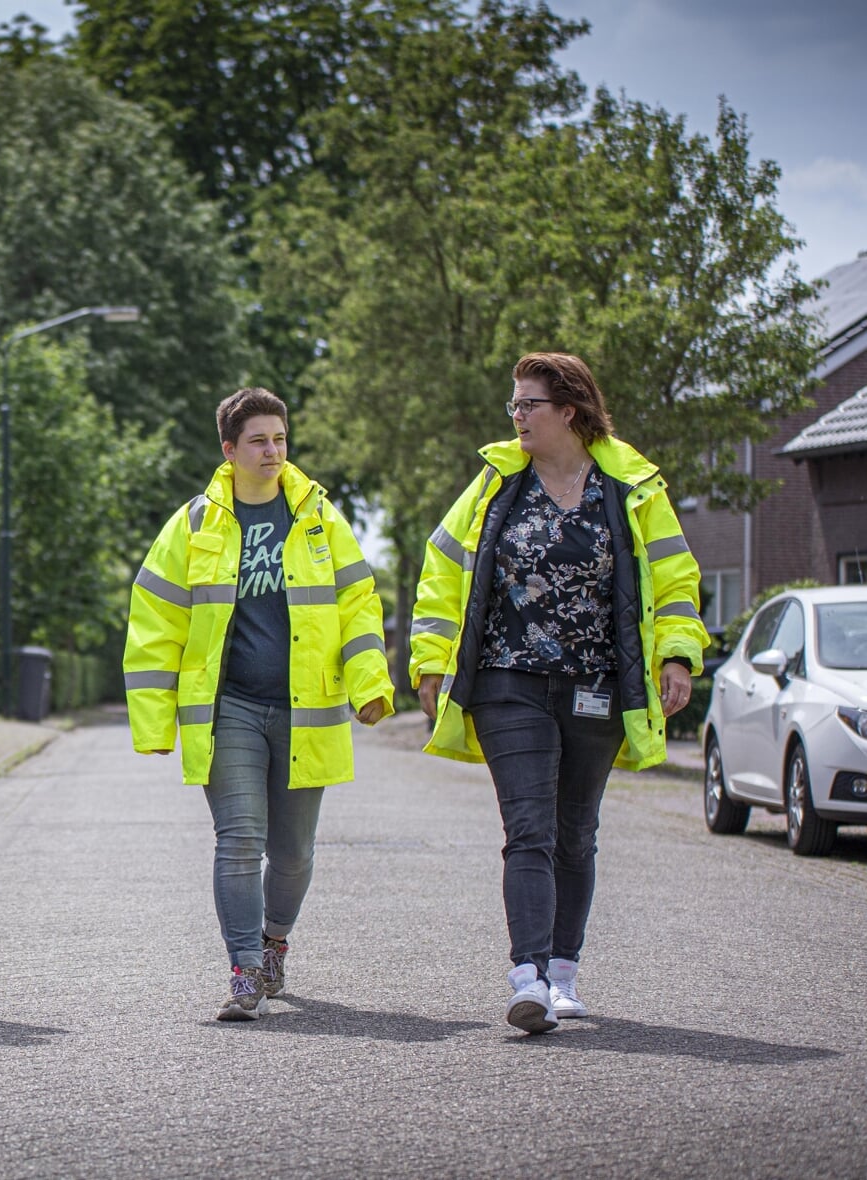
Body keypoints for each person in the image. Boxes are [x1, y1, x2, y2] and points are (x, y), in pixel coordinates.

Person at [411, 352, 706, 1034]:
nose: (515, 417)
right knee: (528, 831)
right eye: (512, 406)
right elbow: (441, 569)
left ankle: (563, 972)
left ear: (567, 410)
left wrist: (678, 655)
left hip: (596, 685)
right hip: (505, 682)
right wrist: (430, 661)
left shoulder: (629, 488)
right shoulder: (495, 485)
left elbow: (673, 579)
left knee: (575, 833)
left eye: (526, 405)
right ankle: (528, 977)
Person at [125, 388, 393, 1022]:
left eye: (280, 438)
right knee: (239, 839)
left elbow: (356, 604)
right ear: (229, 450)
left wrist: (370, 683)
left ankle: (275, 944)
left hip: (310, 710)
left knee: (294, 851)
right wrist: (154, 719)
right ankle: (244, 969)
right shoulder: (194, 525)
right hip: (231, 709)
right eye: (258, 440)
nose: (273, 451)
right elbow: (155, 620)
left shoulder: (319, 518)